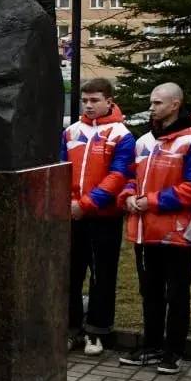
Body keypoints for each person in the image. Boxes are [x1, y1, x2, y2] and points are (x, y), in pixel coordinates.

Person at [117, 83, 191, 375]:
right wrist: (129, 196)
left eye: (158, 103)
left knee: (177, 294)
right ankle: (151, 345)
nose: (152, 107)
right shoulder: (143, 141)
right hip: (145, 231)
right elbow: (132, 177)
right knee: (151, 293)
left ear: (175, 104)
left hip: (178, 232)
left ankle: (174, 351)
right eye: (151, 102)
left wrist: (151, 201)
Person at [60, 78, 134, 356]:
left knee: (102, 275)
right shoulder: (71, 132)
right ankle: (71, 330)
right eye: (85, 100)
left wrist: (86, 204)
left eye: (95, 100)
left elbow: (118, 175)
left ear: (109, 101)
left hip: (104, 216)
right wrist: (68, 203)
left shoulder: (121, 134)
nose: (89, 106)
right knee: (70, 273)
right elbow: (61, 167)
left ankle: (97, 332)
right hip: (71, 214)